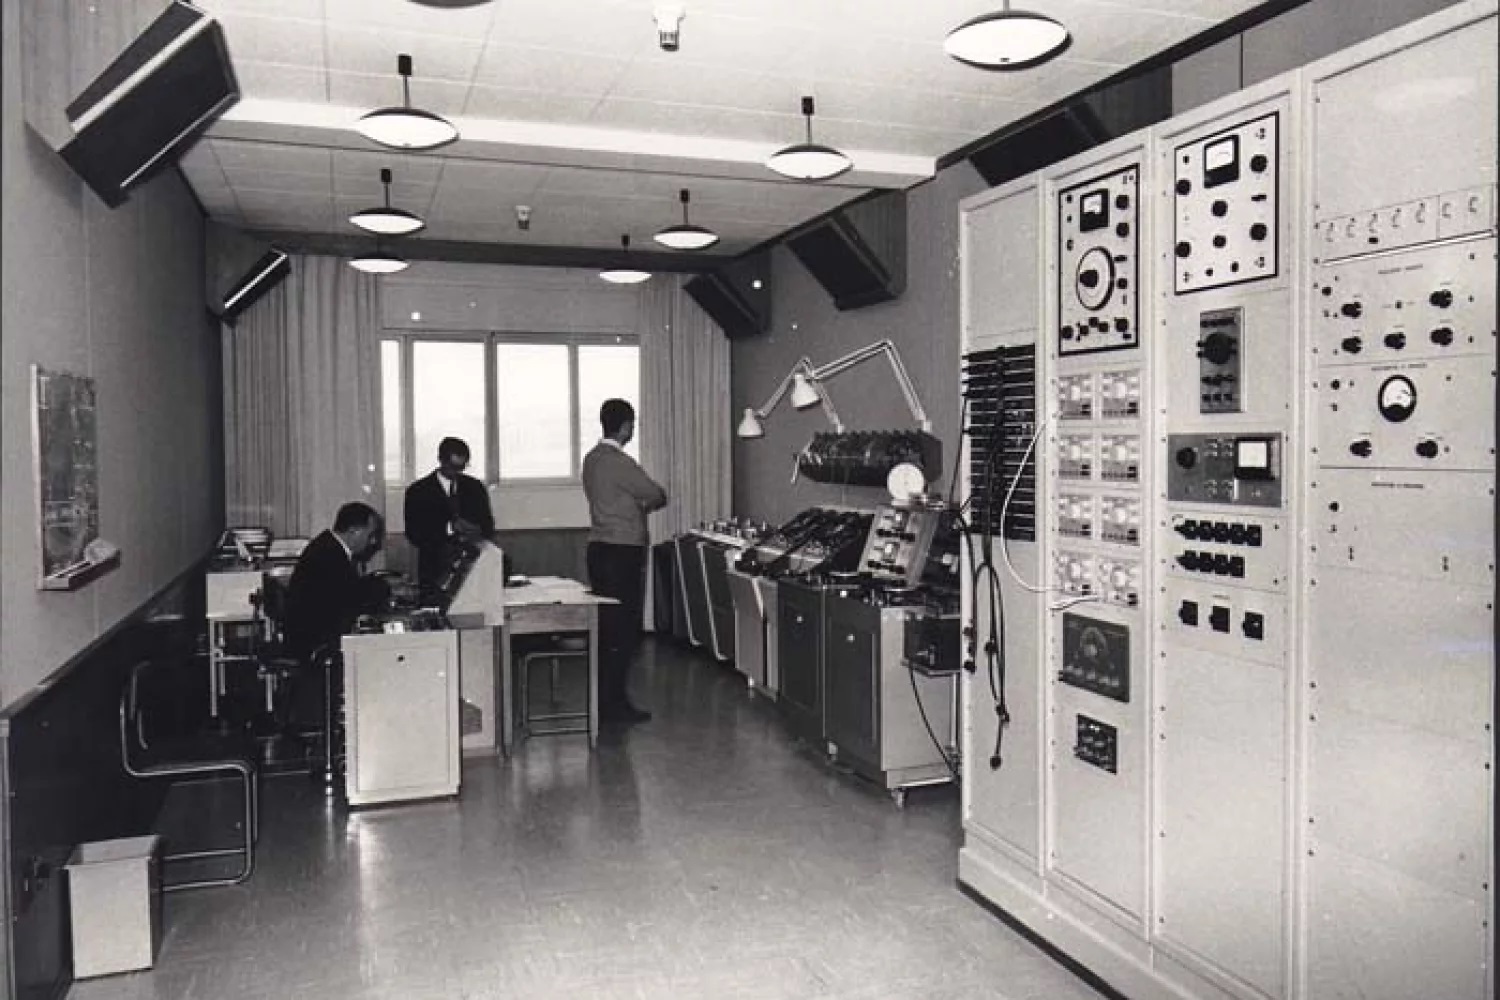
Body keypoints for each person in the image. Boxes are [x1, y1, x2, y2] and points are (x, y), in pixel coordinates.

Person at [581, 399, 668, 723]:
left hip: (599, 548)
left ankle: (604, 700)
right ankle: (614, 705)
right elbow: (656, 493)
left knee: (608, 630)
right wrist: (641, 507)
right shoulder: (620, 462)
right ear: (626, 426)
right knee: (623, 631)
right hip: (623, 551)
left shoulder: (590, 459)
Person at [282, 502, 388, 661]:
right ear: (354, 532)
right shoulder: (329, 555)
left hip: (313, 632)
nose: (373, 542)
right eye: (370, 535)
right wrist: (387, 590)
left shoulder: (328, 545)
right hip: (316, 642)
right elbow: (351, 597)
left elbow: (347, 588)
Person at [403, 436, 495, 600]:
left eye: (462, 467)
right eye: (453, 467)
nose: (457, 473)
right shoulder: (418, 491)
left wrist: (477, 530)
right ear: (440, 460)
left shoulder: (475, 488)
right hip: (434, 571)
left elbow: (489, 527)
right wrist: (450, 528)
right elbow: (414, 534)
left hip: (471, 570)